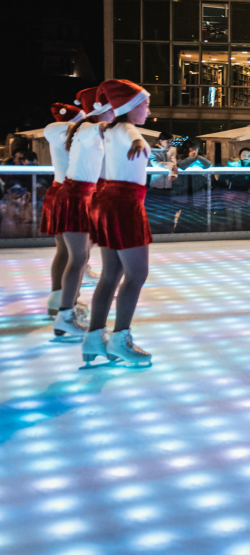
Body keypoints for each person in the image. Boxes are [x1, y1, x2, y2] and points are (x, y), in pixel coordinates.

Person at [84, 79, 155, 365]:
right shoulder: (126, 128)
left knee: (110, 275)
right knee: (136, 275)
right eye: (146, 104)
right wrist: (138, 140)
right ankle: (119, 339)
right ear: (131, 107)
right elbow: (132, 136)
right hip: (125, 205)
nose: (149, 111)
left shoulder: (109, 130)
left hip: (107, 201)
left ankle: (93, 338)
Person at [51, 87, 114, 338]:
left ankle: (68, 311)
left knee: (79, 258)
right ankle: (65, 314)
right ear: (101, 110)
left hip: (82, 197)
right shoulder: (89, 129)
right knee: (77, 259)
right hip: (76, 197)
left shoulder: (87, 131)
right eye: (112, 108)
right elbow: (105, 129)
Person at [41, 101, 85, 324]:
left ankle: (58, 300)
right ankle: (67, 303)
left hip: (60, 191)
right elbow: (51, 128)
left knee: (65, 253)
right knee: (76, 256)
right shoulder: (67, 133)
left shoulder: (62, 134)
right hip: (72, 194)